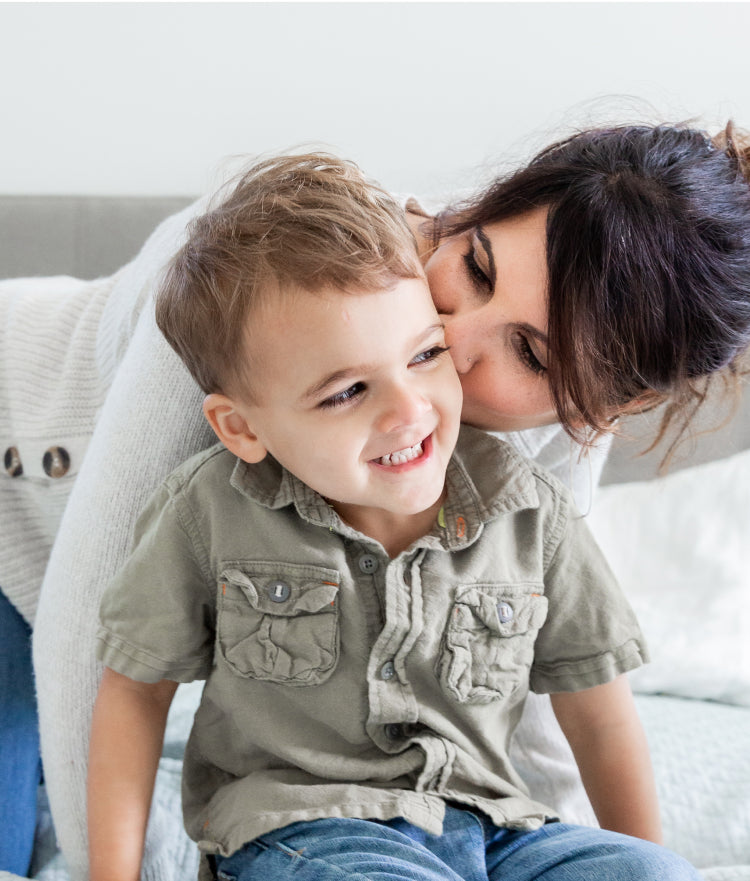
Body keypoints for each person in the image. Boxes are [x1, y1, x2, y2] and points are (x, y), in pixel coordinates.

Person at [0, 119, 742, 878]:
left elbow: (541, 662)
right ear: (477, 208)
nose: (452, 338)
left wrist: (562, 847)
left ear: (607, 408)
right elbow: (94, 641)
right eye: (476, 266)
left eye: (527, 353)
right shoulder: (255, 278)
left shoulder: (542, 470)